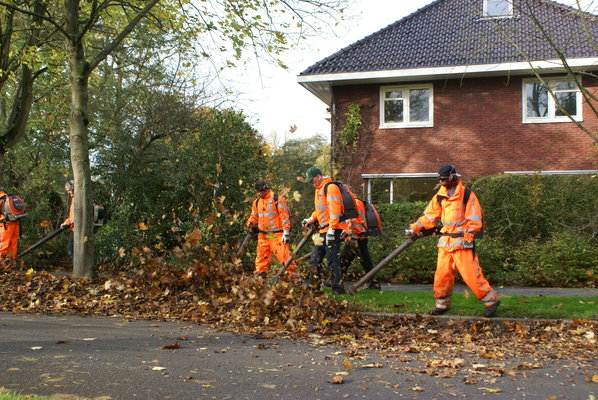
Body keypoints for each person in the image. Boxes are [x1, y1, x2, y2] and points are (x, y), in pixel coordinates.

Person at [405, 164, 500, 317]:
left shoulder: (467, 195)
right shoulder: (440, 196)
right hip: (446, 243)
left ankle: (491, 300)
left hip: (463, 243)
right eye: (440, 179)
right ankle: (442, 305)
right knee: (442, 275)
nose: (441, 182)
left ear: (452, 177)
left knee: (471, 275)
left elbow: (474, 220)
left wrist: (468, 238)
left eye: (444, 179)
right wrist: (414, 228)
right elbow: (429, 216)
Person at [302, 167, 355, 294]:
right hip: (323, 230)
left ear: (319, 176)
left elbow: (335, 211)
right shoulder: (319, 189)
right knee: (315, 258)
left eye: (312, 180)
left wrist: (332, 229)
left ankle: (338, 289)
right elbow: (321, 209)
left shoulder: (330, 188)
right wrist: (311, 218)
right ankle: (313, 287)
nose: (311, 183)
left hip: (332, 229)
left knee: (332, 260)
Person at [245, 181, 299, 280]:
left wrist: (286, 231)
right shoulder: (257, 202)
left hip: (276, 235)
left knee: (285, 257)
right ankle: (260, 279)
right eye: (257, 192)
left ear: (265, 190)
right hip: (263, 236)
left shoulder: (277, 199)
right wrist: (250, 223)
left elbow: (285, 217)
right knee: (261, 259)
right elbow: (254, 216)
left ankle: (296, 279)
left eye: (259, 192)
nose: (258, 194)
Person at [340, 197, 380, 290]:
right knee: (347, 259)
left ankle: (335, 280)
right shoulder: (353, 202)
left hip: (357, 237)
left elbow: (356, 221)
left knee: (360, 260)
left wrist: (353, 235)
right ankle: (374, 283)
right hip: (358, 236)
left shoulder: (353, 203)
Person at [0, 192, 20, 262]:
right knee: (13, 244)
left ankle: (1, 264)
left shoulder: (1, 197)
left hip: (6, 224)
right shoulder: (5, 195)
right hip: (15, 221)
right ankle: (12, 263)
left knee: (4, 245)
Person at [60, 180, 75, 258]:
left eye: (70, 190)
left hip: (77, 230)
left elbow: (74, 217)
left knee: (71, 249)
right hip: (75, 228)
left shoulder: (77, 199)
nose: (69, 193)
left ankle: (78, 268)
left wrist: (66, 223)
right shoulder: (75, 198)